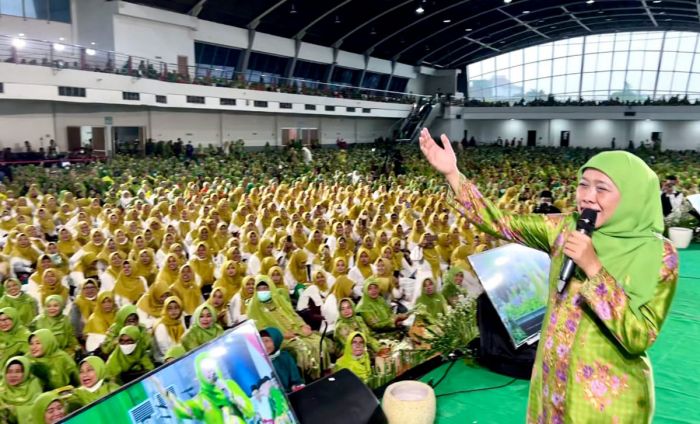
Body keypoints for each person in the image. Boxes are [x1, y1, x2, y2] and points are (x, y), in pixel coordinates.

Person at [419, 127, 679, 423]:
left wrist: (593, 267)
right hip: (552, 384)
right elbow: (501, 221)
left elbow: (637, 336)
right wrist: (453, 173)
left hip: (606, 402)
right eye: (583, 185)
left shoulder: (658, 255)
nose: (588, 197)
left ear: (631, 195)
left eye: (602, 188)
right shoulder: (565, 229)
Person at [158, 351, 254, 423]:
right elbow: (182, 410)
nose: (209, 371)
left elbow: (250, 411)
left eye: (211, 367)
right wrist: (160, 388)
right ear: (199, 373)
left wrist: (229, 393)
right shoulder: (200, 399)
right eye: (204, 369)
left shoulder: (229, 385)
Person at [260, 327, 304, 392]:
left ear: (276, 341)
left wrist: (296, 387)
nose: (263, 345)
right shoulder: (259, 361)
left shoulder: (285, 357)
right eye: (261, 341)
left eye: (267, 341)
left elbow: (296, 380)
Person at [0, 356, 43, 422]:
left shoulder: (34, 385)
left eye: (18, 371)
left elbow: (39, 409)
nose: (13, 375)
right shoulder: (2, 391)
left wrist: (15, 410)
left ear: (26, 372)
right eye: (9, 372)